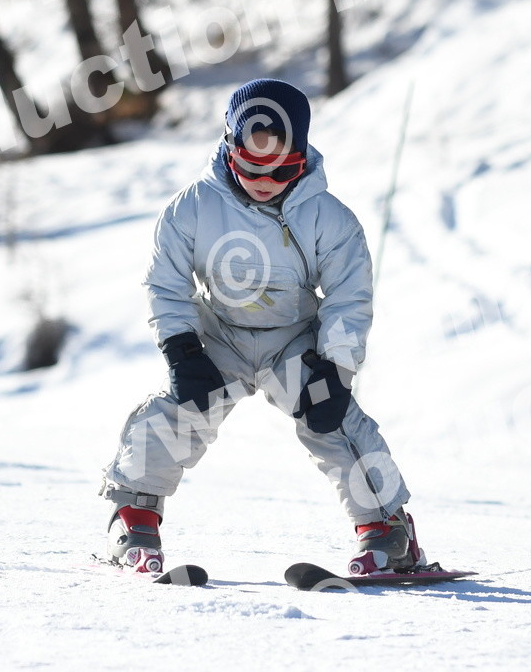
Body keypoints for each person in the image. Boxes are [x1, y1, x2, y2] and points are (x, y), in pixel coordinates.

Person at [100, 78, 422, 576]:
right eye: (251, 168)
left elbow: (349, 295)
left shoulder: (326, 217)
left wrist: (336, 366)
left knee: (332, 421)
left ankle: (387, 528)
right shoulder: (193, 207)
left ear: (302, 158)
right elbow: (166, 282)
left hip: (294, 340)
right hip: (219, 337)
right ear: (230, 150)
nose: (265, 181)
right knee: (178, 415)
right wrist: (182, 349)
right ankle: (134, 519)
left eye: (282, 170)